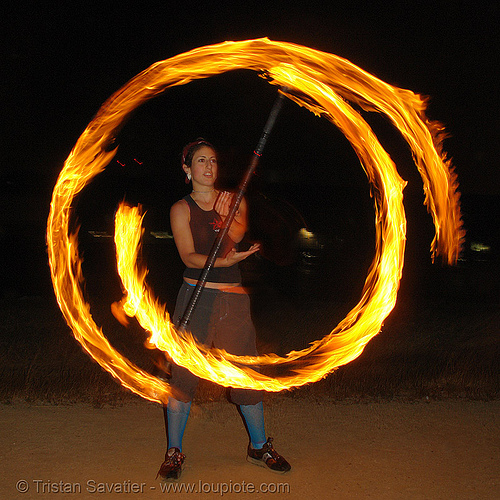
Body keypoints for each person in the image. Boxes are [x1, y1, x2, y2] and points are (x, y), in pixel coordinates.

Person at [156, 138, 291, 481]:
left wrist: (225, 215)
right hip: (195, 298)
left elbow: (236, 234)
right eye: (200, 161)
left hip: (233, 301)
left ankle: (259, 447)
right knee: (183, 376)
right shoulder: (180, 209)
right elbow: (188, 257)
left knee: (245, 374)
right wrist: (222, 261)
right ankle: (174, 451)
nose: (209, 167)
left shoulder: (235, 201)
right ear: (187, 169)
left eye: (213, 161)